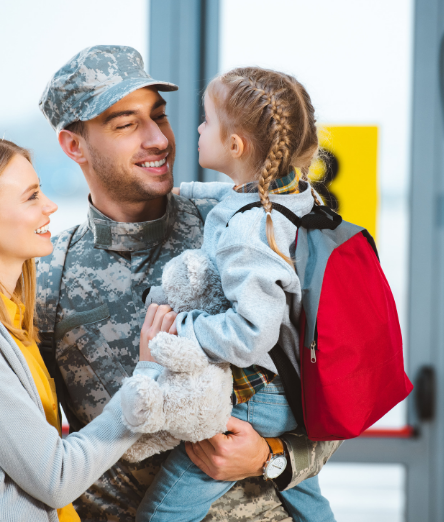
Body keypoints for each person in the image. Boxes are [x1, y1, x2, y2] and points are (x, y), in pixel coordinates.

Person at [0, 46, 341, 522]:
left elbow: (335, 388)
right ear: (74, 146)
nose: (158, 139)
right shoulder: (42, 274)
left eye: (160, 116)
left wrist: (270, 456)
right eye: (126, 124)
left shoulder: (245, 230)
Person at [0, 135, 175, 521]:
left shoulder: (10, 314)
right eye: (31, 197)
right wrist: (146, 382)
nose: (50, 206)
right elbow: (54, 476)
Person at [129, 68, 335, 522]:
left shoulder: (247, 234)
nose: (197, 129)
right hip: (292, 385)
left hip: (257, 396)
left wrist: (183, 327)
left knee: (161, 513)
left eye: (205, 121)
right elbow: (231, 195)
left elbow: (250, 335)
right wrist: (183, 191)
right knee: (308, 500)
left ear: (236, 145)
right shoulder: (294, 198)